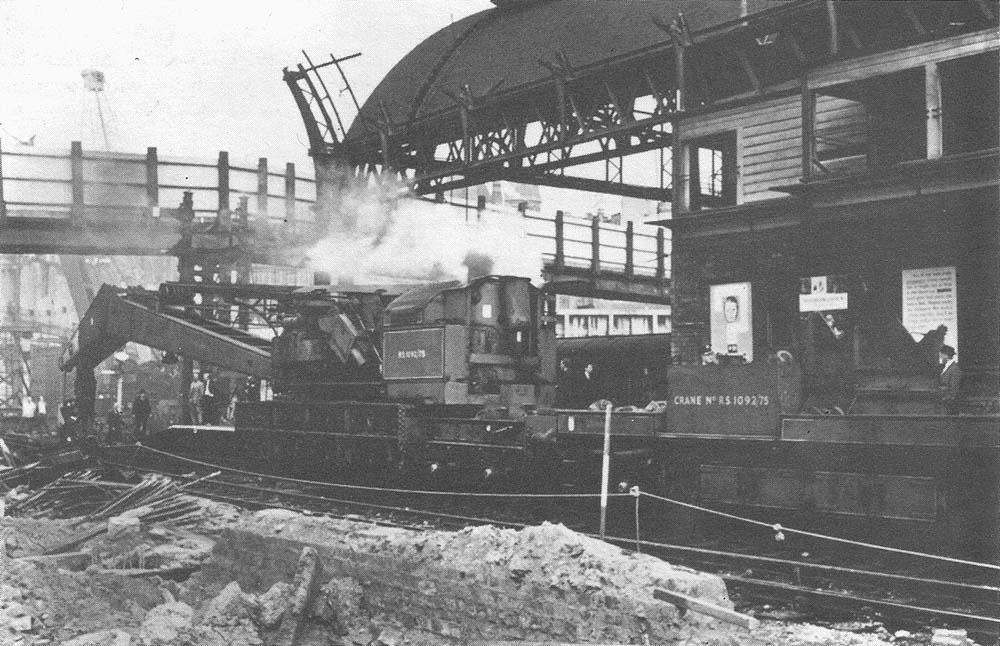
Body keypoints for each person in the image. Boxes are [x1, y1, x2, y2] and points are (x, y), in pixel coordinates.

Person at [937, 345, 961, 415]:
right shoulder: (948, 368)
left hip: (950, 405)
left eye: (941, 355)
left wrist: (947, 399)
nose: (940, 358)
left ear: (946, 355)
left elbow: (954, 388)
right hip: (945, 403)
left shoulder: (954, 369)